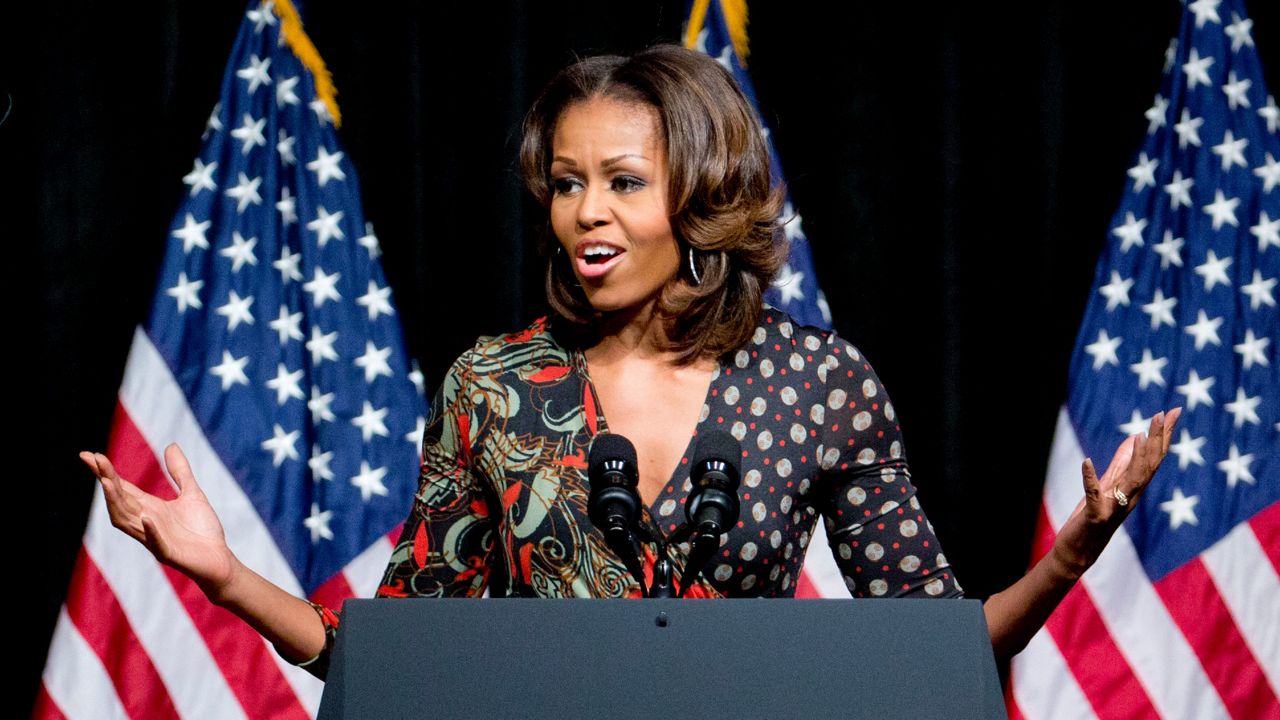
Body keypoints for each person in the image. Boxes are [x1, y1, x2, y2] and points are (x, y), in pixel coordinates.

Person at [80, 44, 1180, 681]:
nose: (584, 215)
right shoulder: (495, 386)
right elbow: (389, 661)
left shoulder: (819, 385)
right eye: (565, 183)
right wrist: (219, 576)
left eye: (620, 181)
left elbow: (936, 652)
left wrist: (1068, 558)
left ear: (698, 191)